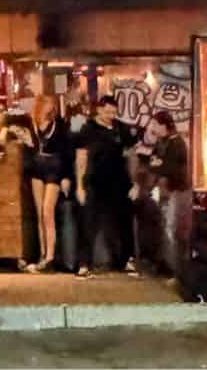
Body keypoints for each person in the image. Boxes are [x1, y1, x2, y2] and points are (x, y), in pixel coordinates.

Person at [74, 95, 138, 277]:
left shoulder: (122, 129)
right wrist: (79, 185)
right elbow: (81, 158)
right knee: (88, 223)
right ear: (99, 110)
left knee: (123, 222)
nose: (111, 115)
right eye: (108, 112)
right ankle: (84, 263)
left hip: (119, 183)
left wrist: (134, 183)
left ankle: (126, 260)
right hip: (94, 182)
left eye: (114, 112)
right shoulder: (88, 129)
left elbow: (131, 156)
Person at [25, 94, 72, 273]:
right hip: (37, 166)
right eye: (47, 105)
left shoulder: (59, 125)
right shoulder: (32, 124)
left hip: (54, 167)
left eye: (52, 105)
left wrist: (66, 176)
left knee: (47, 211)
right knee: (39, 213)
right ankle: (42, 255)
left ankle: (51, 256)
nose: (50, 108)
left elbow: (67, 151)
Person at [147, 110, 189, 276]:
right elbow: (153, 162)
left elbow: (167, 167)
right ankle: (165, 263)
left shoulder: (176, 143)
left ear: (165, 125)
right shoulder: (161, 143)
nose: (153, 128)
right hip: (164, 190)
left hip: (175, 191)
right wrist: (157, 164)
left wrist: (158, 164)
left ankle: (173, 268)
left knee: (170, 228)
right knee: (164, 226)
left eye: (156, 124)